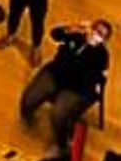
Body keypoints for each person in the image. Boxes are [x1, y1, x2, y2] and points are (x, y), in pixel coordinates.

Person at [20, 17, 111, 147]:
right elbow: (55, 34)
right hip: (55, 74)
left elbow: (96, 79)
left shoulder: (102, 56)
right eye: (95, 29)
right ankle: (27, 116)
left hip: (75, 88)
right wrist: (72, 26)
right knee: (29, 99)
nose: (95, 34)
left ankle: (62, 141)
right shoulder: (76, 37)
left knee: (58, 115)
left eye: (101, 34)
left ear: (104, 40)